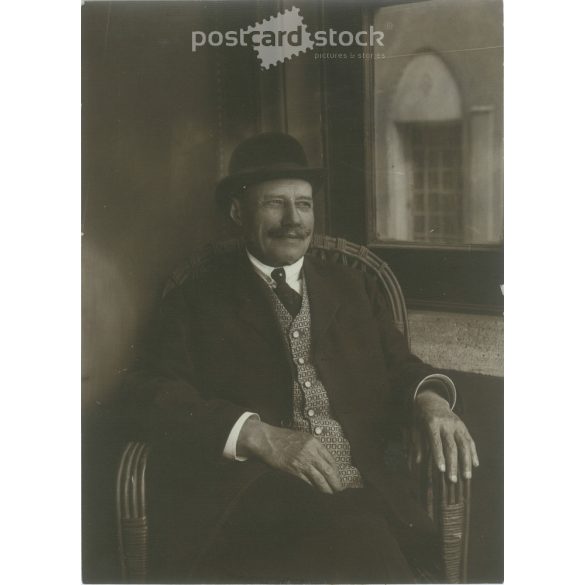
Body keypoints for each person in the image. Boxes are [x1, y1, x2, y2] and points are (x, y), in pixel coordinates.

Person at [125, 132, 479, 583]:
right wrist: (255, 434)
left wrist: (431, 400)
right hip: (256, 507)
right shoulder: (196, 299)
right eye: (275, 203)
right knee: (354, 539)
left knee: (361, 533)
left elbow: (399, 366)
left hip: (366, 494)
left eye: (304, 204)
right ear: (239, 211)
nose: (294, 220)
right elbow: (147, 394)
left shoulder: (353, 287)